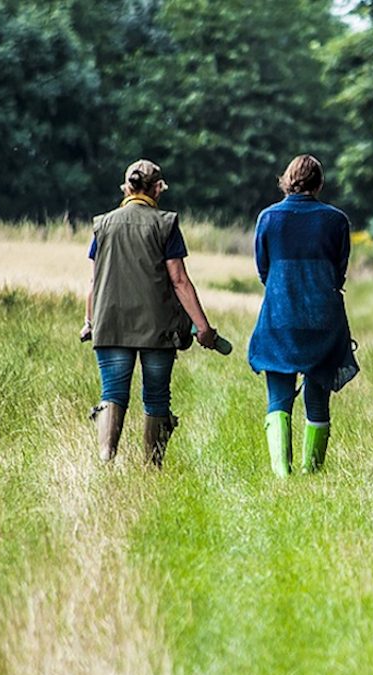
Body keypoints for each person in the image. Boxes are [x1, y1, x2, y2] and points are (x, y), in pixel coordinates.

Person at [83, 159, 218, 467]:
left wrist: (89, 322)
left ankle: (105, 456)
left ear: (126, 187)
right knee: (156, 396)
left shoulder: (102, 224)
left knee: (113, 393)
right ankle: (152, 466)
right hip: (158, 329)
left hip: (111, 323)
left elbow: (94, 279)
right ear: (157, 188)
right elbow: (179, 280)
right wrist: (203, 328)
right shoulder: (166, 223)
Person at [247, 154, 358, 477]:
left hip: (280, 315)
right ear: (319, 183)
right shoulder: (336, 220)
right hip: (323, 317)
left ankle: (282, 471)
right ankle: (312, 470)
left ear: (287, 179)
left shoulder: (268, 218)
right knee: (319, 393)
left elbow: (263, 269)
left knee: (278, 395)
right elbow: (340, 270)